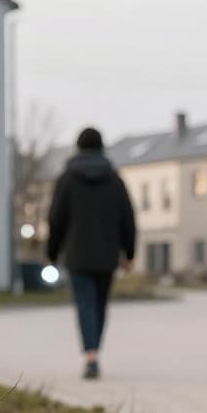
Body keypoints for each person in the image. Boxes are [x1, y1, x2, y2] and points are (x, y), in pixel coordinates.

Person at [46, 127, 136, 380]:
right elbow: (127, 218)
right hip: (107, 254)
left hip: (77, 254)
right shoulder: (114, 179)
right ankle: (95, 352)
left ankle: (91, 356)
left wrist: (52, 252)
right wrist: (129, 253)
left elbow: (56, 218)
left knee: (85, 304)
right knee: (99, 304)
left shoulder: (67, 179)